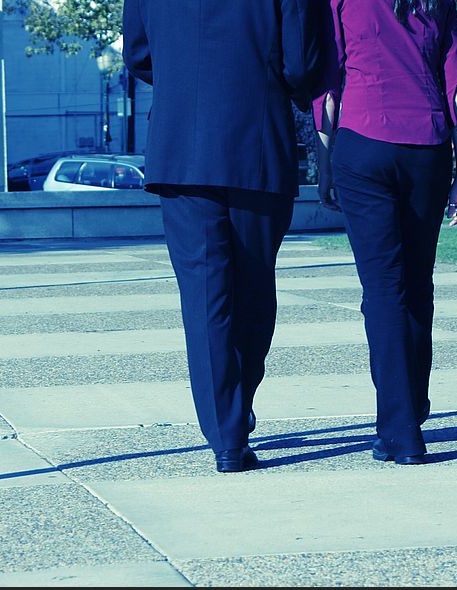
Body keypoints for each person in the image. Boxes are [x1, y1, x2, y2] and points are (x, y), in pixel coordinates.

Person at [122, 0, 325, 472]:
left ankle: (227, 434)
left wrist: (187, 79)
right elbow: (301, 64)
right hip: (255, 141)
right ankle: (235, 406)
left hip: (180, 144)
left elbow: (138, 55)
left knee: (205, 298)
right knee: (254, 289)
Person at [314, 0, 457, 465]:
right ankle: (412, 410)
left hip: (362, 142)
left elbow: (329, 88)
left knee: (385, 289)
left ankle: (400, 428)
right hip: (426, 146)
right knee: (418, 283)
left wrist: (324, 164)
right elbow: (456, 87)